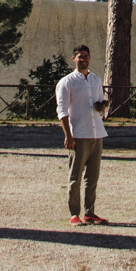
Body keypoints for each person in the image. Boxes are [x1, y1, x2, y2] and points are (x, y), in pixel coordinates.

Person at [55, 43, 109, 225]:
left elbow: (98, 105)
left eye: (86, 56)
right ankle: (74, 214)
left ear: (90, 58)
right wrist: (68, 136)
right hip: (78, 134)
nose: (83, 59)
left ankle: (90, 213)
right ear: (74, 59)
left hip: (96, 133)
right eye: (79, 56)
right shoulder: (67, 82)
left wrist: (100, 107)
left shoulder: (95, 80)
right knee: (75, 177)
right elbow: (62, 111)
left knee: (92, 177)